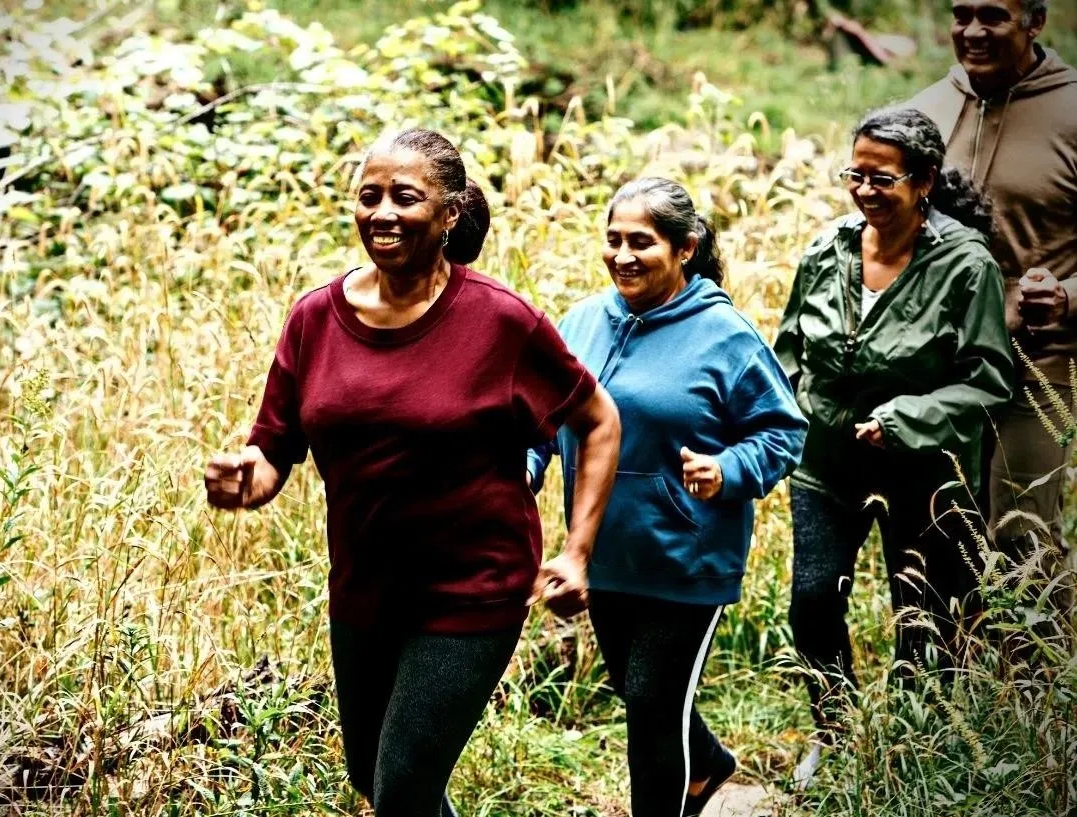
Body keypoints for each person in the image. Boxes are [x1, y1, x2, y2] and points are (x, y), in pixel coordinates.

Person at [204, 128, 621, 817]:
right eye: (368, 197)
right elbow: (274, 448)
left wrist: (577, 551)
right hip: (364, 589)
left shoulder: (500, 321)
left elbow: (598, 420)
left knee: (401, 789)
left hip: (472, 588)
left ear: (450, 212)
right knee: (377, 777)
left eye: (405, 196)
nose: (382, 213)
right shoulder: (315, 317)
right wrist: (248, 478)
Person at [527, 177, 807, 817]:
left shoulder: (725, 335)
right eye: (614, 240)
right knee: (639, 689)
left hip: (688, 557)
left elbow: (783, 431)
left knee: (652, 708)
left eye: (642, 242)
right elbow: (541, 412)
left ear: (685, 248)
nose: (623, 255)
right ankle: (708, 765)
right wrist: (526, 462)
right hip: (603, 550)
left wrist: (729, 468)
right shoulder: (580, 322)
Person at [774, 107, 1014, 785]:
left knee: (922, 615)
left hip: (923, 471)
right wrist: (784, 413)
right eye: (856, 174)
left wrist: (909, 415)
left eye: (883, 177)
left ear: (925, 180)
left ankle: (909, 746)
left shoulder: (966, 265)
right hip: (825, 464)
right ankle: (836, 729)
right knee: (813, 599)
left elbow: (989, 379)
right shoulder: (828, 249)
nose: (865, 189)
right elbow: (788, 349)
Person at [908, 0, 1077, 592]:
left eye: (993, 17)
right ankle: (942, 675)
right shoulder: (924, 110)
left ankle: (1026, 684)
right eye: (961, 15)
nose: (972, 32)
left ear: (1034, 22)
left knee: (1021, 539)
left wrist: (1067, 296)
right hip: (932, 363)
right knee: (935, 536)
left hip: (1036, 362)